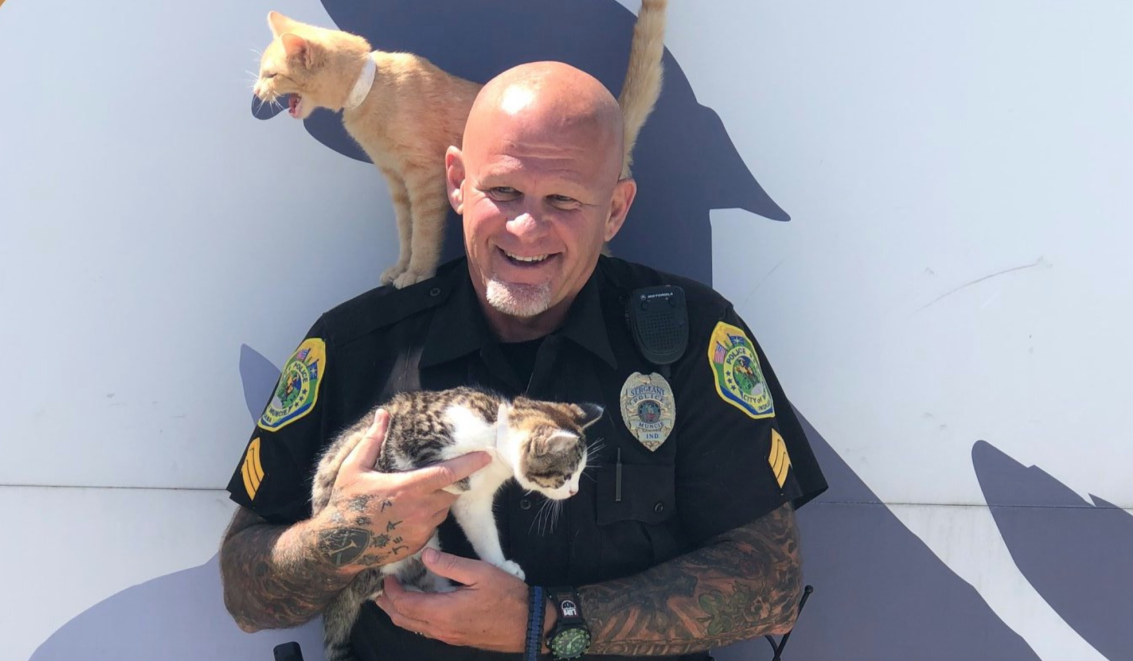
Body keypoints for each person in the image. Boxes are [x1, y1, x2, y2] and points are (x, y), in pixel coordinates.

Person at [219, 60, 827, 661]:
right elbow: (247, 596)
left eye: (563, 199)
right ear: (456, 180)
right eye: (503, 190)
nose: (526, 227)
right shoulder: (358, 345)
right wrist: (341, 536)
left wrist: (546, 622)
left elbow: (769, 585)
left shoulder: (689, 338)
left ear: (615, 209)